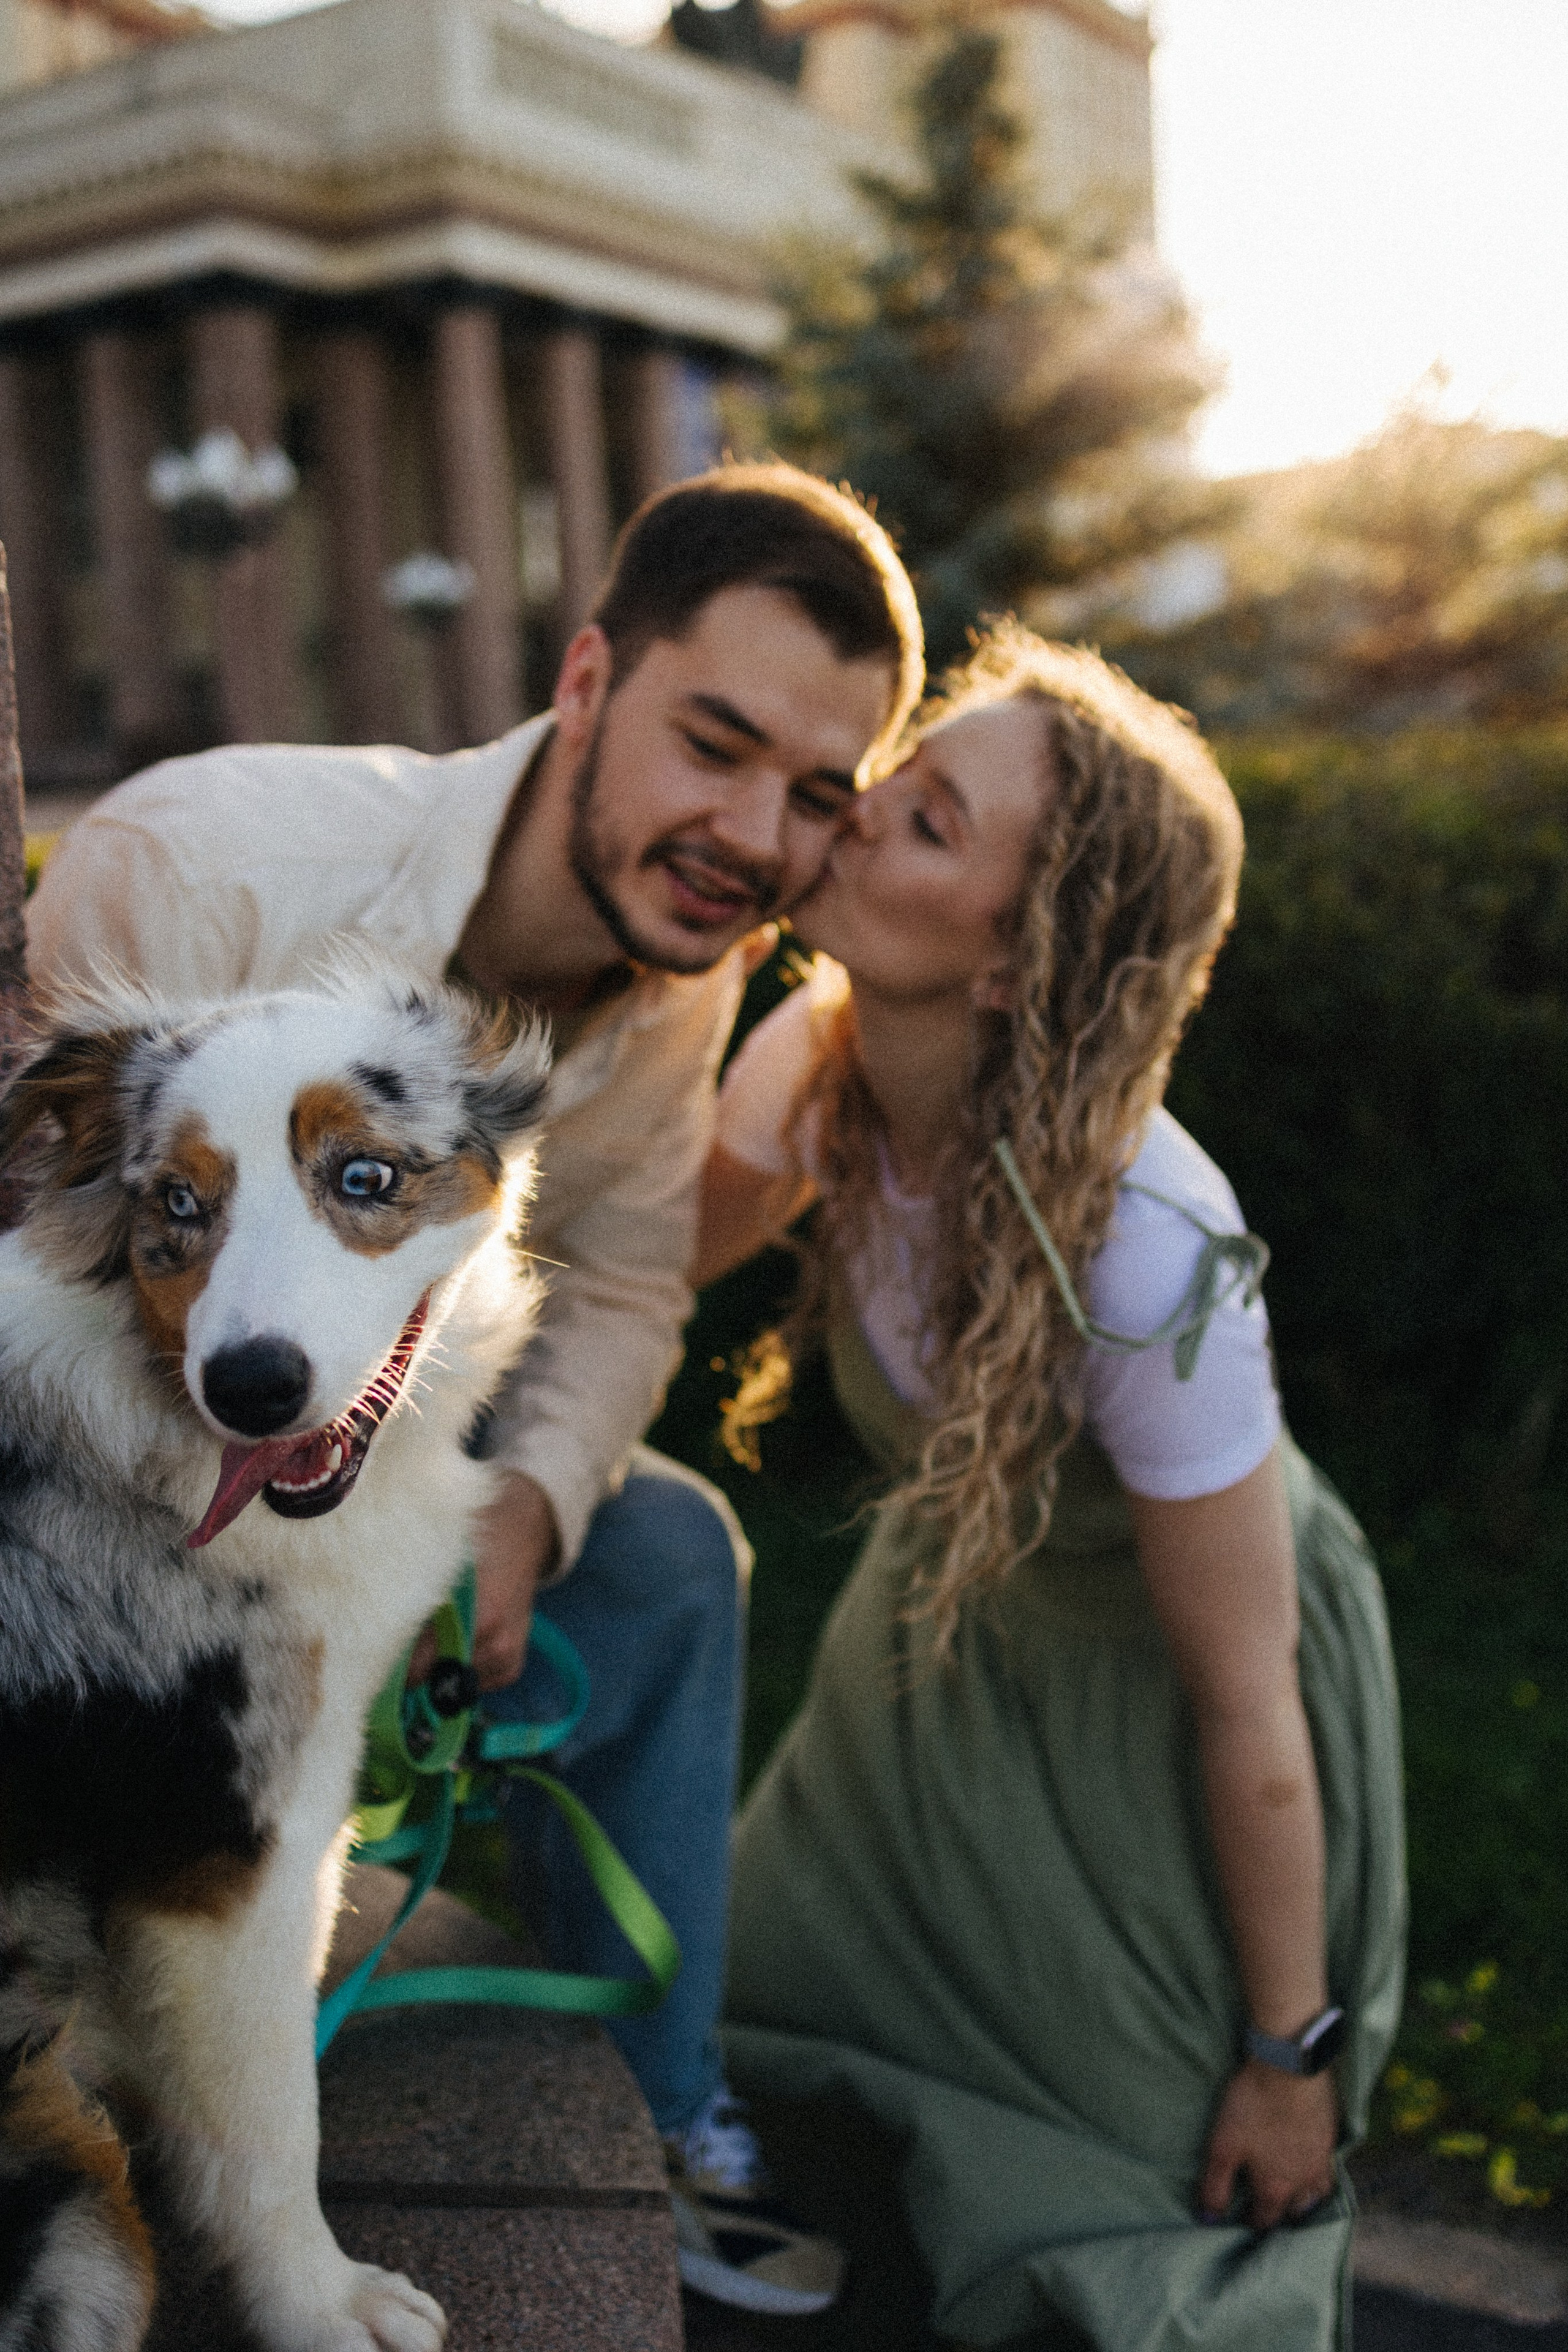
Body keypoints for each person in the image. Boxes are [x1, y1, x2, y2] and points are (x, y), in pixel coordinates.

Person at [26, 460, 924, 2317]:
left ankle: (670, 2117)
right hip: (123, 1478)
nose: (752, 833)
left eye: (817, 796)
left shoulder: (690, 970)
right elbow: (51, 1261)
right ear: (587, 681)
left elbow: (619, 1285)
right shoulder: (206, 865)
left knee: (664, 1547)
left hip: (402, 1427)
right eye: (716, 742)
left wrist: (525, 1509)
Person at [697, 627, 1406, 2350]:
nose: (856, 814)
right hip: (943, 1647)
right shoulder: (819, 1057)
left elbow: (1252, 1715)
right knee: (770, 2004)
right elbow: (626, 1305)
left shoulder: (1150, 1253)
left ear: (1018, 962)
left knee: (1149, 2212)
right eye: (904, 780)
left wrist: (1286, 2055)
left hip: (1183, 1717)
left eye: (930, 823)